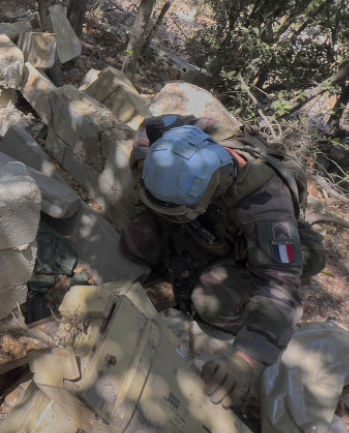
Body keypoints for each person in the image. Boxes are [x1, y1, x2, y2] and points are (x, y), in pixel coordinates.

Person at [122, 114, 322, 411]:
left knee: (212, 297)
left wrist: (246, 361)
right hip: (210, 222)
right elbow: (152, 125)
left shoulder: (267, 206)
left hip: (249, 243)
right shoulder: (189, 132)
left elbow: (280, 288)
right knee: (136, 241)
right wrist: (144, 162)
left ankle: (221, 274)